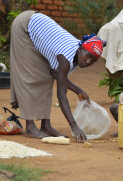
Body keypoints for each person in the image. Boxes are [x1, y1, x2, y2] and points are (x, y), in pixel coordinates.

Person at [9, 10, 106, 142]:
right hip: (24, 26)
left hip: (35, 25)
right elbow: (61, 95)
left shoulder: (76, 56)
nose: (88, 61)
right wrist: (74, 126)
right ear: (80, 49)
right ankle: (30, 127)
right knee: (30, 77)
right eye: (88, 56)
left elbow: (56, 74)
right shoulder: (66, 59)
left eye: (93, 60)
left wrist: (78, 90)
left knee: (46, 76)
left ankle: (46, 126)